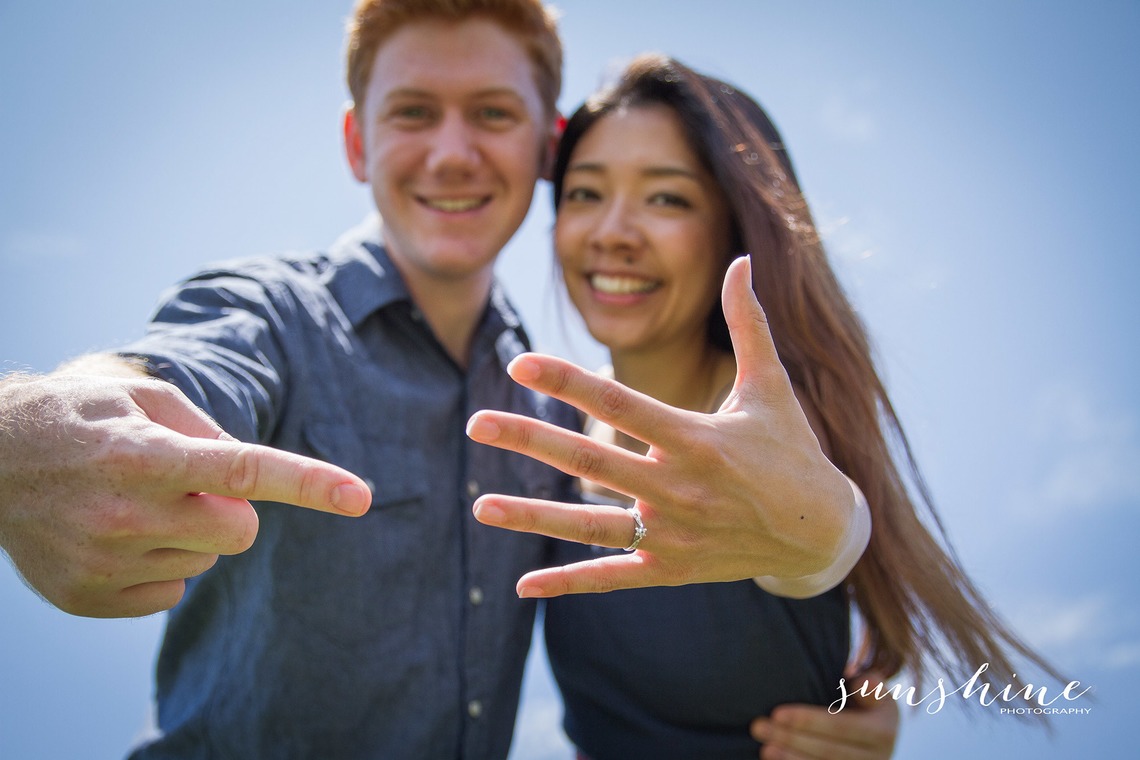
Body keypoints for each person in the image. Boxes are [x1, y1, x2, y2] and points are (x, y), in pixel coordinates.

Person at [0, 2, 892, 758]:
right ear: (358, 142)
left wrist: (853, 681)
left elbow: (752, 594)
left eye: (493, 113)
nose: (453, 153)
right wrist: (30, 432)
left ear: (544, 147)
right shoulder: (274, 314)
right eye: (414, 112)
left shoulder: (551, 420)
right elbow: (173, 371)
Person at [466, 54, 1061, 758]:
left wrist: (825, 534)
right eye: (586, 193)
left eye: (668, 199)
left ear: (732, 227)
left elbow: (820, 526)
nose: (613, 232)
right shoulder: (549, 431)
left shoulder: (780, 421)